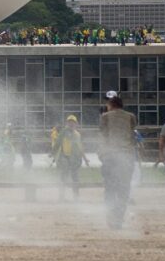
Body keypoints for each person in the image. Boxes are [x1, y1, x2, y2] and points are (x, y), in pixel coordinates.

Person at [99, 95, 139, 229]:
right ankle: (119, 218)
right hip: (126, 156)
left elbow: (103, 136)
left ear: (111, 104)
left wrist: (101, 154)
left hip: (110, 156)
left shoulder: (105, 116)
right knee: (124, 188)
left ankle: (110, 217)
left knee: (110, 188)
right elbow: (132, 134)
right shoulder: (131, 116)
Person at [52, 115, 90, 201]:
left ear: (76, 124)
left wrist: (85, 159)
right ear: (67, 123)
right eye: (69, 122)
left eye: (73, 122)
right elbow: (57, 143)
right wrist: (53, 153)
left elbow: (80, 148)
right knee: (63, 177)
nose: (71, 124)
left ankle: (76, 196)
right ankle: (61, 196)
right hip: (65, 157)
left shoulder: (77, 135)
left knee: (75, 178)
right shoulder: (63, 132)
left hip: (75, 159)